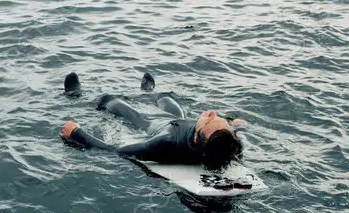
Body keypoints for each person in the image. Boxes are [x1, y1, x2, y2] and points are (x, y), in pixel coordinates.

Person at [59, 72, 245, 171]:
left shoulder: (165, 143)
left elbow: (116, 152)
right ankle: (147, 90)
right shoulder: (232, 145)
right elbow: (222, 139)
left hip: (147, 123)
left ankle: (74, 94)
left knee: (111, 100)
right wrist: (231, 123)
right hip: (176, 120)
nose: (212, 112)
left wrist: (77, 133)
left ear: (197, 137)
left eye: (210, 118)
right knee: (165, 98)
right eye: (222, 121)